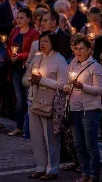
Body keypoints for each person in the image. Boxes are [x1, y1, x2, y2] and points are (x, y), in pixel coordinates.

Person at [23, 31, 68, 180]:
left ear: (53, 43)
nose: (42, 44)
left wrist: (42, 81)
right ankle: (40, 166)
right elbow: (25, 79)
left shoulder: (59, 60)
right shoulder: (36, 57)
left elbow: (63, 85)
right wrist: (31, 80)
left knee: (50, 137)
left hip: (49, 103)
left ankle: (52, 169)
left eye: (46, 41)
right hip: (33, 100)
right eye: (41, 41)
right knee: (36, 137)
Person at [64, 36, 102, 182]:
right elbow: (67, 82)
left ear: (89, 50)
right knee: (79, 145)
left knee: (91, 145)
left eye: (81, 48)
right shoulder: (72, 65)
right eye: (76, 48)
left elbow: (100, 90)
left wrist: (83, 87)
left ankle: (94, 175)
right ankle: (84, 174)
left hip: (89, 111)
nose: (78, 51)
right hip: (74, 109)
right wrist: (66, 88)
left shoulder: (95, 66)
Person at [6, 7, 40, 136]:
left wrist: (19, 56)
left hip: (28, 68)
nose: (18, 20)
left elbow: (34, 50)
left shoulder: (34, 33)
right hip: (15, 68)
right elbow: (9, 46)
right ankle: (19, 126)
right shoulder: (14, 31)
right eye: (17, 17)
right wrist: (11, 55)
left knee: (28, 97)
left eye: (21, 18)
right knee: (19, 98)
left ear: (28, 19)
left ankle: (30, 127)